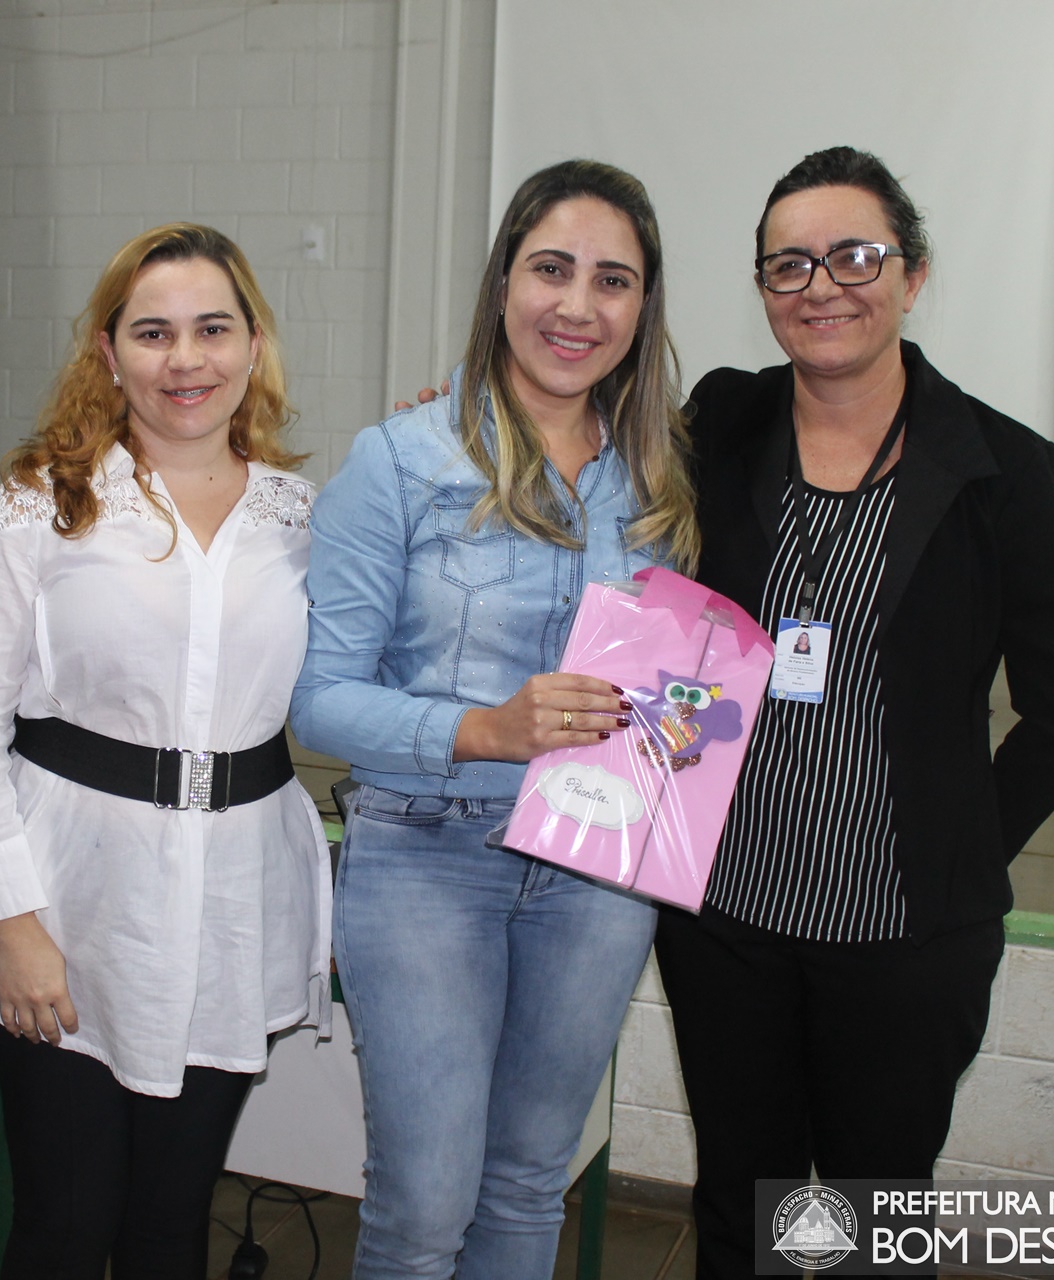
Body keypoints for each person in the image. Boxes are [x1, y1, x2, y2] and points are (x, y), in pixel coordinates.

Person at [652, 146, 1054, 1278]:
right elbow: (586, 460)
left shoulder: (1004, 468)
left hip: (904, 939)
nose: (822, 286)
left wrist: (963, 848)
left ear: (913, 275)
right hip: (729, 922)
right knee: (740, 1206)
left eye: (854, 256)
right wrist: (464, 430)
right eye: (789, 264)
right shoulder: (721, 422)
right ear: (764, 289)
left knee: (866, 1222)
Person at [292, 160, 700, 1279]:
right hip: (428, 860)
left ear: (644, 305)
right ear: (504, 283)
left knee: (528, 1184)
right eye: (551, 269)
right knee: (425, 1208)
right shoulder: (399, 459)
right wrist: (485, 730)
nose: (578, 306)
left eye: (613, 280)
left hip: (599, 871)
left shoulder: (662, 478)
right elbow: (317, 697)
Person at [0, 223, 332, 1279]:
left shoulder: (300, 518)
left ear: (254, 345)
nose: (185, 359)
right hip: (69, 909)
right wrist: (13, 925)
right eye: (152, 332)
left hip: (230, 912)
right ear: (108, 352)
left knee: (170, 1226)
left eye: (212, 329)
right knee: (66, 1224)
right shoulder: (36, 510)